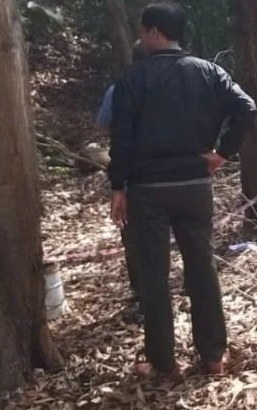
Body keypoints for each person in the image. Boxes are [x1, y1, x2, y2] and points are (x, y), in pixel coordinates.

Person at [108, 1, 257, 380]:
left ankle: (163, 364)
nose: (141, 38)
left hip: (148, 190)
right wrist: (222, 153)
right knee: (202, 270)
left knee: (154, 275)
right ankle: (212, 357)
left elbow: (121, 140)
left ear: (155, 31)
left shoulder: (131, 80)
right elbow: (246, 108)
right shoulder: (208, 71)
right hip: (194, 185)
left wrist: (118, 187)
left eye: (143, 31)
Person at [96, 42, 147, 321]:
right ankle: (189, 285)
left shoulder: (118, 90)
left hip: (130, 175)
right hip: (171, 173)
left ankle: (143, 297)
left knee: (134, 238)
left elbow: (103, 124)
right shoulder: (172, 87)